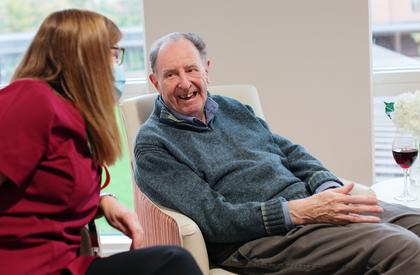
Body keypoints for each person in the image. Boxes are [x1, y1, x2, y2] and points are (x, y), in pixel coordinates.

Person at [134, 31, 420, 274]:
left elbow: (291, 152)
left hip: (310, 208)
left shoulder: (232, 108)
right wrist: (299, 211)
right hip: (259, 240)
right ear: (155, 81)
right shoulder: (153, 144)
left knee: (415, 224)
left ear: (206, 69)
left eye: (191, 69)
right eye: (171, 74)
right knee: (406, 249)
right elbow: (215, 219)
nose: (184, 83)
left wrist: (329, 190)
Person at [0, 11, 202, 275]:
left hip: (65, 266)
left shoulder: (70, 118)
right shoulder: (33, 100)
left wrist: (101, 202)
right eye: (113, 54)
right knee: (172, 264)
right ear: (84, 58)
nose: (117, 65)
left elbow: (44, 191)